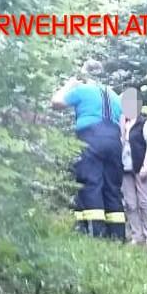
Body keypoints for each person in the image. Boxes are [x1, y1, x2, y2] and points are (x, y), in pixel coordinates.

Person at [51, 60, 125, 240]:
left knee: (91, 182)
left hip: (91, 137)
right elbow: (122, 124)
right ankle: (117, 235)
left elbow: (56, 102)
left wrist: (69, 84)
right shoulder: (114, 95)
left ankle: (95, 233)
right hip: (114, 140)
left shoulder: (82, 90)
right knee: (112, 186)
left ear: (85, 75)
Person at [122, 103, 147, 245]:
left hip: (143, 168)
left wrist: (145, 167)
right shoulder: (122, 124)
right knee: (130, 204)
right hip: (125, 168)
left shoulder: (144, 123)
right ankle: (137, 235)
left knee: (145, 202)